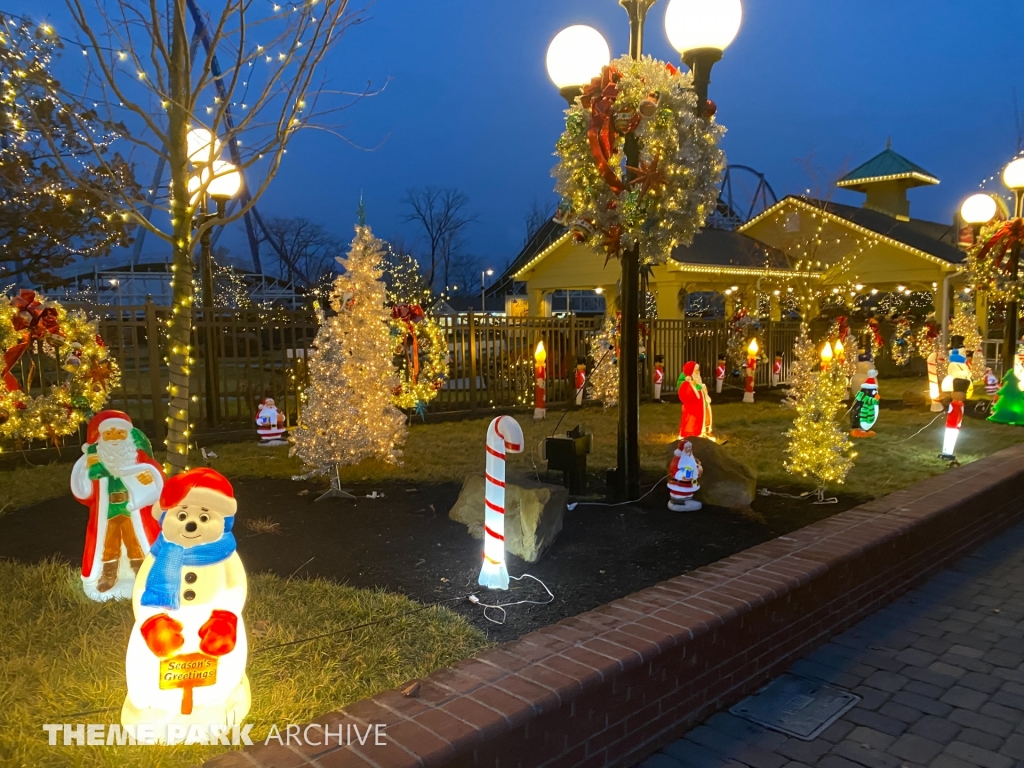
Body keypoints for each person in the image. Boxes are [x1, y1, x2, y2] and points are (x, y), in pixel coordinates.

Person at [71, 411, 165, 600]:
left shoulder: (138, 457)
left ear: (128, 436)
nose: (114, 437)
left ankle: (142, 570)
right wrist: (85, 468)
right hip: (107, 511)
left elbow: (157, 477)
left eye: (119, 433)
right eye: (109, 433)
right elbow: (83, 491)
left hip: (135, 510)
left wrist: (150, 477)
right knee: (109, 543)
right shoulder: (96, 461)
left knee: (135, 541)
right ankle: (108, 574)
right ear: (101, 437)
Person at [677, 361, 712, 440]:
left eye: (698, 370)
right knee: (692, 420)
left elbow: (700, 387)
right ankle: (691, 433)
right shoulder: (688, 382)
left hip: (701, 404)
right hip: (692, 407)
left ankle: (702, 431)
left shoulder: (697, 379)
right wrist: (692, 385)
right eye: (696, 370)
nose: (698, 372)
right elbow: (687, 392)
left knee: (701, 418)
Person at [667, 440, 703, 512]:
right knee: (681, 491)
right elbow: (674, 469)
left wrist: (698, 469)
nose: (689, 450)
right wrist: (681, 475)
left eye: (690, 448)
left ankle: (688, 499)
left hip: (692, 479)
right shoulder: (677, 459)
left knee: (692, 488)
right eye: (687, 448)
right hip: (680, 482)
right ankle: (679, 502)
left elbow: (694, 465)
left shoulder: (691, 457)